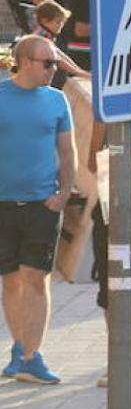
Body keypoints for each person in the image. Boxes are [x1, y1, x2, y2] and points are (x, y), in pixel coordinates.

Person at [0, 34, 75, 384]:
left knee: (35, 277)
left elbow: (68, 151)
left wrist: (64, 194)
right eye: (48, 63)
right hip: (3, 205)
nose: (53, 69)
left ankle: (33, 354)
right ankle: (18, 347)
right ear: (25, 62)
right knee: (11, 280)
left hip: (43, 204)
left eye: (55, 63)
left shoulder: (57, 100)